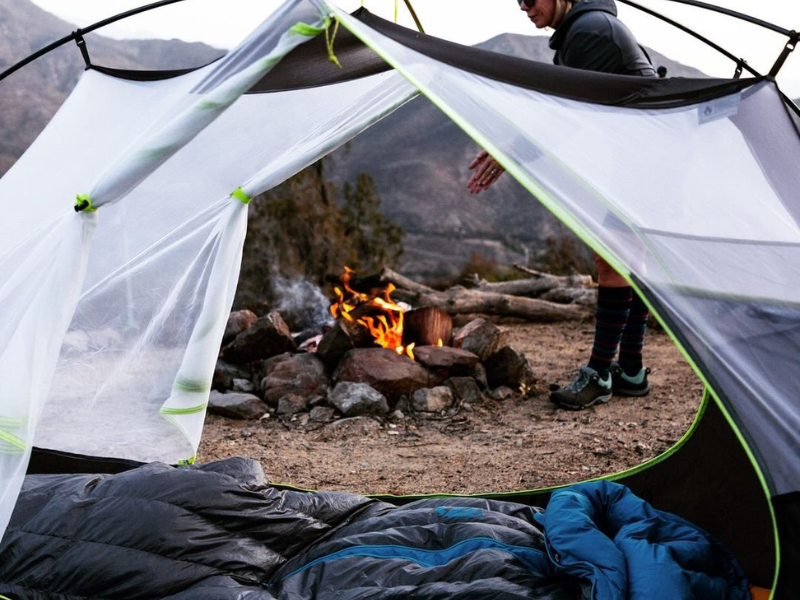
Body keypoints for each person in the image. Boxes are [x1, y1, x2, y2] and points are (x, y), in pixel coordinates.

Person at [467, 0, 656, 410]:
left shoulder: (588, 30)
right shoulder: (585, 27)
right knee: (628, 261)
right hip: (646, 155)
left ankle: (601, 373)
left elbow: (564, 117)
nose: (523, 6)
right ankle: (631, 370)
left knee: (611, 259)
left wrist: (509, 153)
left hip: (649, 157)